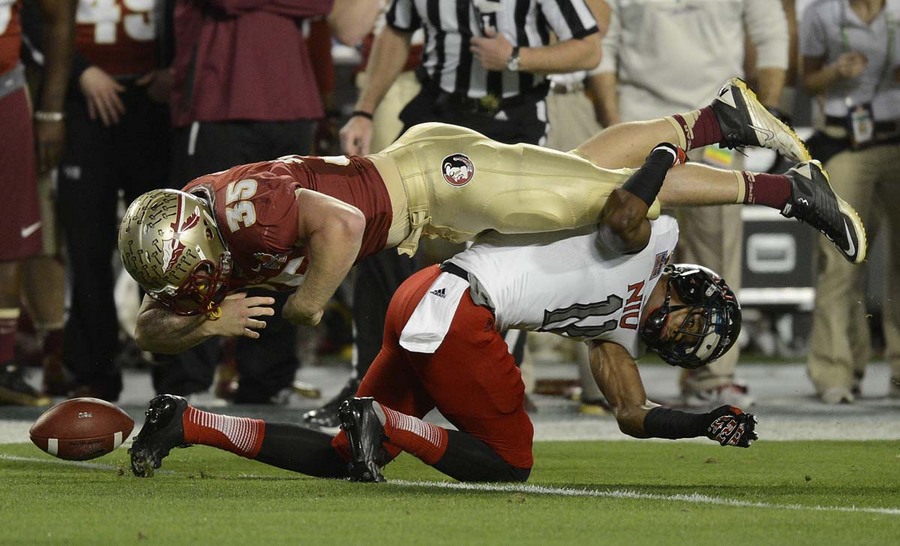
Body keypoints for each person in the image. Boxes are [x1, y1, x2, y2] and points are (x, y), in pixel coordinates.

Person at [128, 142, 758, 482]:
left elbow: (632, 413)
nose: (678, 328)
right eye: (690, 318)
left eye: (687, 340)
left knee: (345, 454)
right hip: (459, 305)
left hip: (428, 296)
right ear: (688, 285)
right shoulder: (652, 241)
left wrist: (705, 423)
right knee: (510, 463)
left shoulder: (614, 339)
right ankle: (385, 422)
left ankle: (187, 424)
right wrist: (676, 144)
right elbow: (624, 203)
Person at [117, 79, 866, 357]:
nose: (191, 286)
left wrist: (309, 304)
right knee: (586, 174)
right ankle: (716, 117)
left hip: (432, 184)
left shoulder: (249, 220)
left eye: (193, 278)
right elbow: (150, 326)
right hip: (426, 203)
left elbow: (339, 229)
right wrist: (207, 323)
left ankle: (789, 195)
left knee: (610, 201)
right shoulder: (190, 228)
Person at [311, 0, 602, 429]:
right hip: (438, 120)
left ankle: (494, 394)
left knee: (505, 260)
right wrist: (365, 108)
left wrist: (519, 58)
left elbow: (589, 48)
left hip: (513, 127)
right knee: (382, 236)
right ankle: (367, 389)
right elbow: (395, 30)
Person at [149, 0, 381, 405]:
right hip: (217, 103)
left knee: (286, 244)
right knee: (194, 241)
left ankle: (267, 379)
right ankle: (186, 379)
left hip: (290, 105)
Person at [596, 0, 794, 409]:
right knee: (613, 253)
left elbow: (770, 33)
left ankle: (714, 373)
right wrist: (616, 128)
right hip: (642, 123)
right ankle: (607, 377)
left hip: (719, 128)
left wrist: (767, 112)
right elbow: (605, 45)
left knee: (717, 252)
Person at [48, 0, 174, 402]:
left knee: (164, 240)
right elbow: (37, 18)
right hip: (83, 102)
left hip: (153, 102)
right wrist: (81, 71)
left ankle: (171, 364)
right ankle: (92, 368)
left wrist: (176, 69)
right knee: (86, 244)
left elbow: (192, 15)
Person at [799, 0, 900, 403]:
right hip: (845, 140)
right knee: (840, 255)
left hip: (898, 137)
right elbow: (807, 81)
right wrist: (834, 72)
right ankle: (835, 371)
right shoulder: (821, 12)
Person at [0, 0, 75, 406]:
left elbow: (59, 15)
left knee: (11, 236)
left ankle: (1, 363)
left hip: (5, 90)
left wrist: (50, 111)